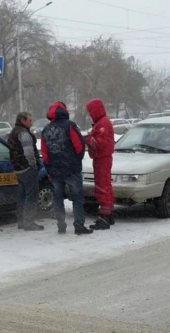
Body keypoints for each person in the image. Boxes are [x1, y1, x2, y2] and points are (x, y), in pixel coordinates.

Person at [41, 101, 92, 235]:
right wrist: (76, 160)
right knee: (77, 198)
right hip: (71, 169)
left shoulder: (45, 130)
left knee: (58, 199)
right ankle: (79, 226)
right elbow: (79, 146)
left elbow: (44, 153)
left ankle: (61, 226)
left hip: (55, 171)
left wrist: (49, 168)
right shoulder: (70, 126)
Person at [8, 112, 44, 231]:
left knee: (22, 195)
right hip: (27, 168)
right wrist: (33, 164)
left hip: (17, 168)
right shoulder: (23, 133)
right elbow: (28, 152)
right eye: (29, 120)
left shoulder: (14, 132)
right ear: (23, 120)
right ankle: (29, 222)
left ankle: (22, 221)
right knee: (31, 196)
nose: (31, 122)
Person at [85, 98, 115, 230]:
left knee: (102, 187)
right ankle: (108, 215)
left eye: (91, 111)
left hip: (102, 158)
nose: (90, 114)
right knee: (105, 186)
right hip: (101, 158)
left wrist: (87, 139)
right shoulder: (101, 122)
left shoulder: (103, 123)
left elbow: (99, 143)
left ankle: (104, 218)